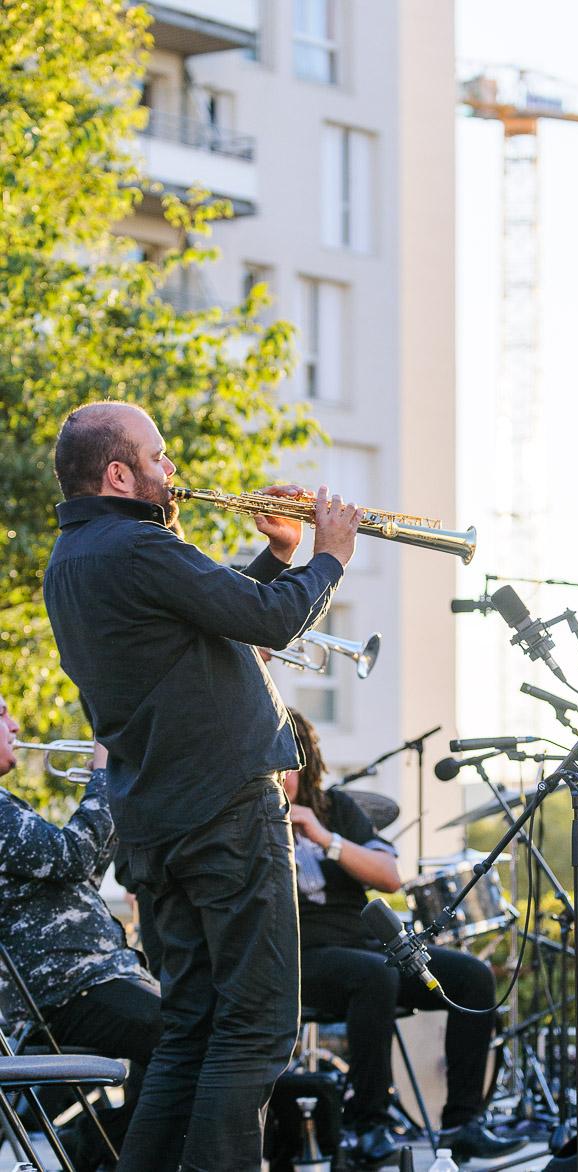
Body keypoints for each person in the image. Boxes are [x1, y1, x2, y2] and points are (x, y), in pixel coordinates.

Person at [43, 400, 360, 1172]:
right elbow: (272, 622)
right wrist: (329, 556)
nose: (171, 470)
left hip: (160, 823)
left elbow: (212, 622)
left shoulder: (76, 559)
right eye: (158, 458)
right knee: (255, 1029)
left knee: (189, 1029)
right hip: (224, 812)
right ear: (119, 473)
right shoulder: (141, 545)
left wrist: (279, 559)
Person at [284, 710, 527, 1166]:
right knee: (373, 975)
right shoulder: (248, 818)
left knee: (472, 976)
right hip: (301, 956)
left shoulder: (334, 809)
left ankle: (462, 1123)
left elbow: (390, 877)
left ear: (306, 763)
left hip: (365, 946)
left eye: (289, 768)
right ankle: (367, 1125)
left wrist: (324, 838)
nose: (281, 779)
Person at [0, 694, 162, 1172]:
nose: (13, 722)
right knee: (185, 1034)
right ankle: (101, 1149)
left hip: (90, 980)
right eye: (0, 712)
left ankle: (95, 1145)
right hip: (69, 990)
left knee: (189, 1031)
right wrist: (104, 771)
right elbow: (75, 855)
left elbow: (78, 878)